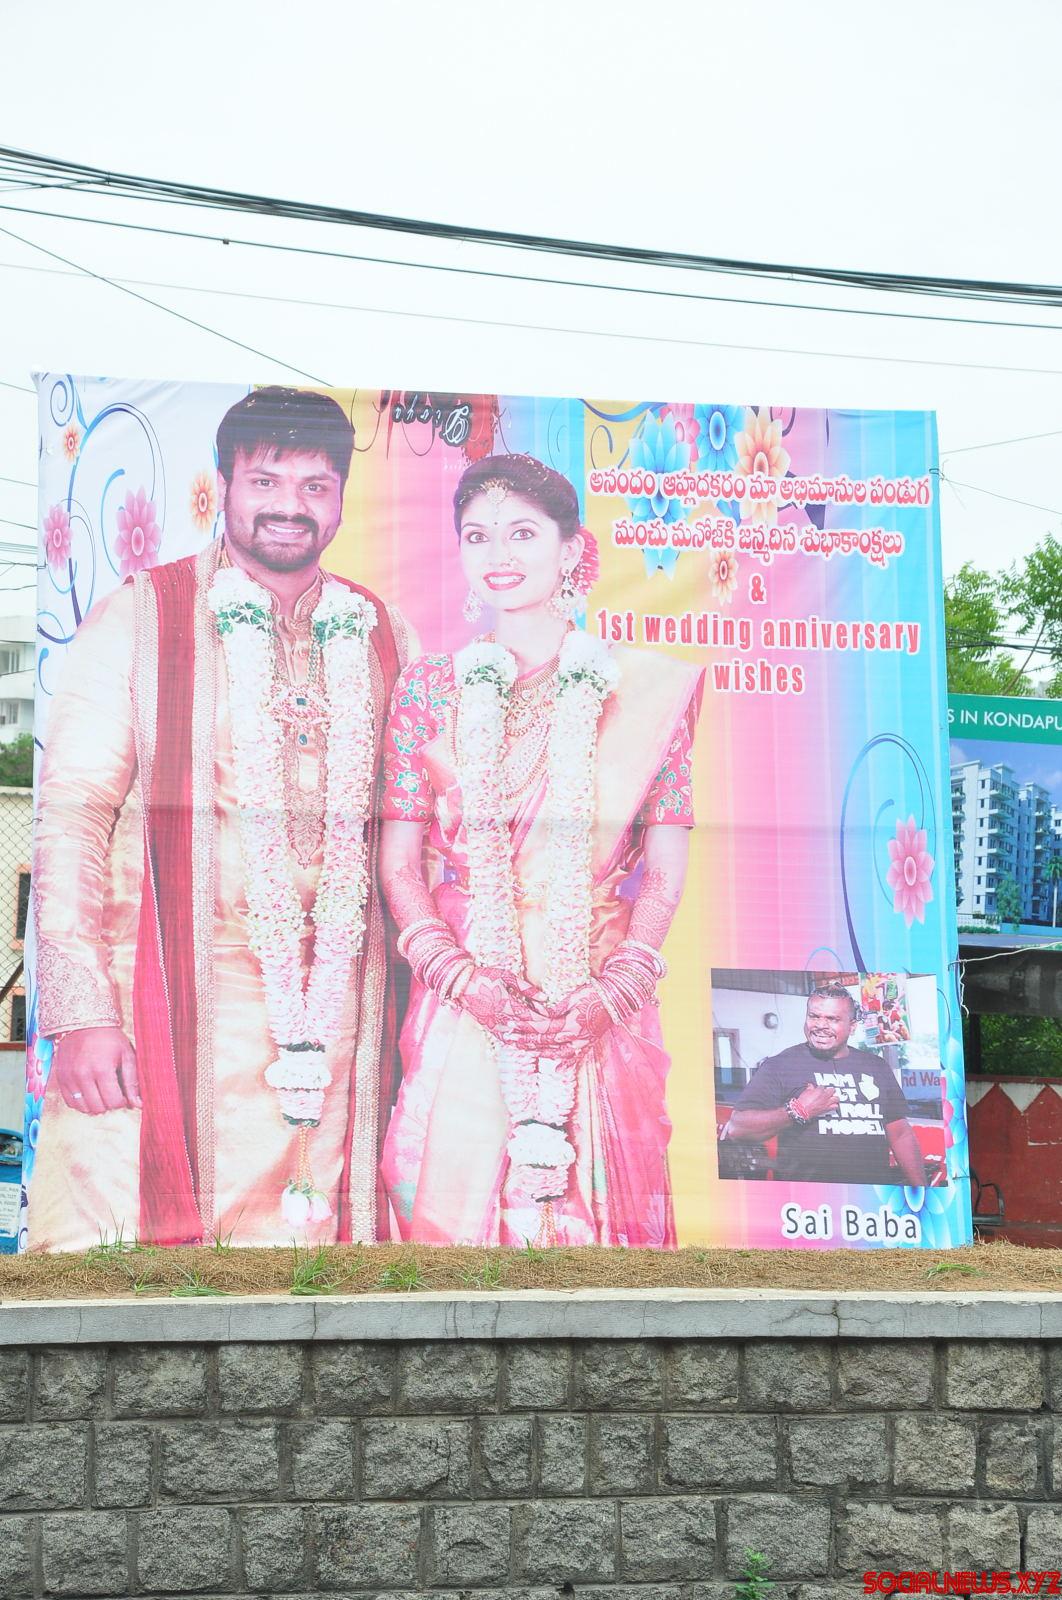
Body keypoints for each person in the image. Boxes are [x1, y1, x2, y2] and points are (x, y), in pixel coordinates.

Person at [31, 387, 411, 1248]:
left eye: (315, 486)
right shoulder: (142, 613)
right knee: (126, 1263)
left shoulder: (384, 632)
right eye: (266, 480)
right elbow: (72, 818)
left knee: (310, 1271)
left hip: (337, 1020)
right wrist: (82, 1013)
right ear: (225, 484)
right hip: (161, 1005)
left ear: (341, 499)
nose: (289, 505)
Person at [377, 452, 704, 1246]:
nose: (498, 554)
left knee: (597, 1226)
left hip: (592, 990)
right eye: (477, 535)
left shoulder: (640, 687)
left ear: (571, 550)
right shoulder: (429, 688)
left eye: (522, 533)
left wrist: (614, 991)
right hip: (467, 990)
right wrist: (463, 980)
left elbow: (664, 868)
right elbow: (398, 862)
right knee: (441, 1211)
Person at [725, 984, 927, 1186]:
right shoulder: (780, 1065)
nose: (820, 1025)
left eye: (832, 1019)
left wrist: (923, 1191)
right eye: (814, 1016)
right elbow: (738, 1128)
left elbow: (900, 1133)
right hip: (808, 1198)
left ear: (852, 1026)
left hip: (872, 1197)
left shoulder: (876, 1066)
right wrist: (797, 1111)